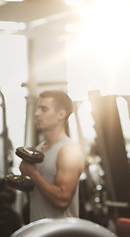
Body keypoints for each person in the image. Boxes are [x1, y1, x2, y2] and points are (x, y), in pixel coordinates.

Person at [19, 90, 84, 222]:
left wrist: (33, 173)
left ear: (61, 114)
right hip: (40, 231)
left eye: (44, 109)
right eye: (38, 109)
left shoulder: (68, 151)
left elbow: (62, 201)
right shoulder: (38, 149)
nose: (37, 113)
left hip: (61, 233)